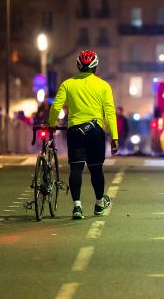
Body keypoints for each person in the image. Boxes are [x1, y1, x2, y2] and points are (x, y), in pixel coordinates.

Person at [48, 50, 119, 219]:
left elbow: (56, 107)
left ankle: (77, 207)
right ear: (95, 67)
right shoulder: (103, 86)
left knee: (76, 168)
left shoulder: (67, 84)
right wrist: (115, 137)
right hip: (96, 131)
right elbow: (110, 113)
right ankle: (99, 204)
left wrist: (52, 124)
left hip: (75, 132)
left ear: (78, 66)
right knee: (96, 169)